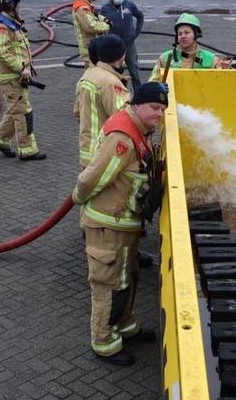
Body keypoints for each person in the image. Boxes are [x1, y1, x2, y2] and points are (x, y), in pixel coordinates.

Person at [72, 82, 169, 365]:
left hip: (124, 224)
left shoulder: (141, 130)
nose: (159, 114)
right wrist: (79, 198)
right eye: (154, 108)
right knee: (109, 285)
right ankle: (104, 342)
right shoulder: (123, 139)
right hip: (107, 227)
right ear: (137, 105)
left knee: (127, 279)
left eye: (163, 109)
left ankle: (126, 327)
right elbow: (92, 179)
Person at [0, 0, 46, 161]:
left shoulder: (11, 23)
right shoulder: (1, 26)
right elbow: (1, 52)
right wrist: (21, 68)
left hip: (16, 77)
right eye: (18, 3)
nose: (20, 6)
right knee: (23, 113)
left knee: (15, 110)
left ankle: (1, 141)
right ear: (11, 5)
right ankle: (27, 149)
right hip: (11, 78)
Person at [74, 35, 131, 167]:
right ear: (120, 56)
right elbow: (123, 117)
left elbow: (77, 112)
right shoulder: (110, 83)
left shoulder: (88, 75)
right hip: (104, 150)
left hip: (87, 149)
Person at [149, 13, 232, 83]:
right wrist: (157, 87)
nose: (183, 36)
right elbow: (152, 83)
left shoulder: (211, 59)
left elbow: (224, 82)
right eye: (180, 33)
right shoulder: (165, 58)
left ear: (196, 34)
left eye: (187, 32)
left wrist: (226, 69)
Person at [99, 0, 145, 91]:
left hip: (129, 44)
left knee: (134, 71)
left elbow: (140, 16)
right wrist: (104, 39)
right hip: (114, 46)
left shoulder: (129, 5)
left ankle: (138, 95)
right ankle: (117, 94)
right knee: (113, 72)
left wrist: (136, 32)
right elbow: (99, 25)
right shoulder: (105, 9)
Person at [72, 0, 110, 68]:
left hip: (92, 46)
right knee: (93, 73)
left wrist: (104, 19)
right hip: (88, 48)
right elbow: (90, 26)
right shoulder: (82, 8)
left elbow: (93, 16)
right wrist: (108, 25)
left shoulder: (86, 5)